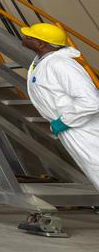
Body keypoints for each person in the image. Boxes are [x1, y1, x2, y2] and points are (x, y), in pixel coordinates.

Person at [21, 22, 99, 190]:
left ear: (41, 44)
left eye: (29, 36)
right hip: (72, 127)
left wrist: (64, 121)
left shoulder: (61, 64)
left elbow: (91, 100)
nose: (24, 37)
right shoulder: (43, 62)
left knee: (96, 167)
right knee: (93, 169)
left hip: (83, 127)